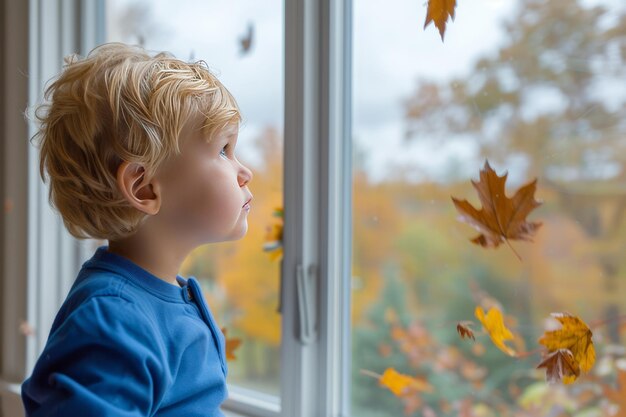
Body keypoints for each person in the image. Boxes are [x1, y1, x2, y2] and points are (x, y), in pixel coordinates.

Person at [21, 42, 253, 417]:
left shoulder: (159, 298)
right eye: (224, 150)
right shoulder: (113, 319)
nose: (245, 172)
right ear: (144, 187)